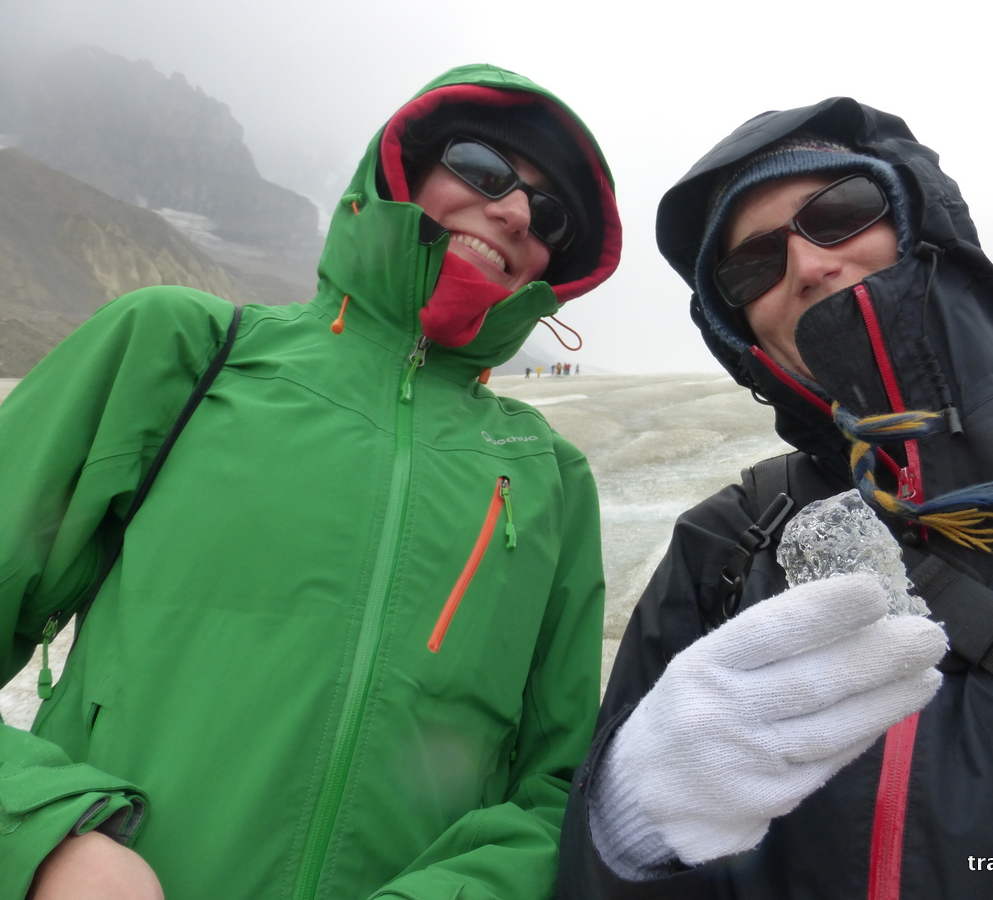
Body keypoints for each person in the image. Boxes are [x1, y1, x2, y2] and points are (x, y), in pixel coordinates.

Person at [0, 63, 621, 900]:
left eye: (550, 215)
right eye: (482, 168)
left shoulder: (552, 479)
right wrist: (46, 839)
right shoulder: (180, 352)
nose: (514, 211)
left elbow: (559, 796)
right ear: (403, 169)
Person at [557, 97, 993, 898]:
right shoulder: (724, 543)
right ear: (738, 328)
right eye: (752, 265)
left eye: (838, 213)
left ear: (916, 221)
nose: (807, 265)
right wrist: (629, 827)